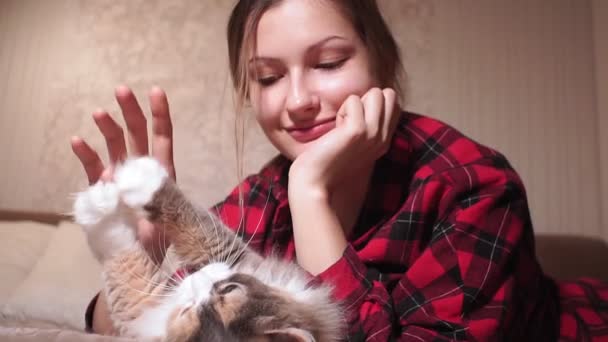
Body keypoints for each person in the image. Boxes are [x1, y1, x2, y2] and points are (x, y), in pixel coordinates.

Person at [71, 0, 607, 340]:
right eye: (268, 77)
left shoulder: (472, 183)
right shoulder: (262, 195)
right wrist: (142, 255)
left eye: (328, 64)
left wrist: (311, 192)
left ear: (382, 62)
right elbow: (139, 322)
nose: (298, 100)